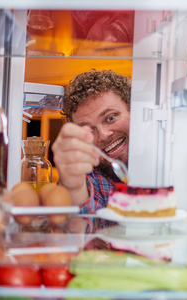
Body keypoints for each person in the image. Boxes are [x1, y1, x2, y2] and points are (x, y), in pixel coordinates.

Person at [51, 69, 131, 228]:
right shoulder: (90, 177)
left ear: (133, 110)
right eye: (89, 129)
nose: (103, 135)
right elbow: (82, 238)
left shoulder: (165, 151)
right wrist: (73, 186)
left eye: (110, 118)